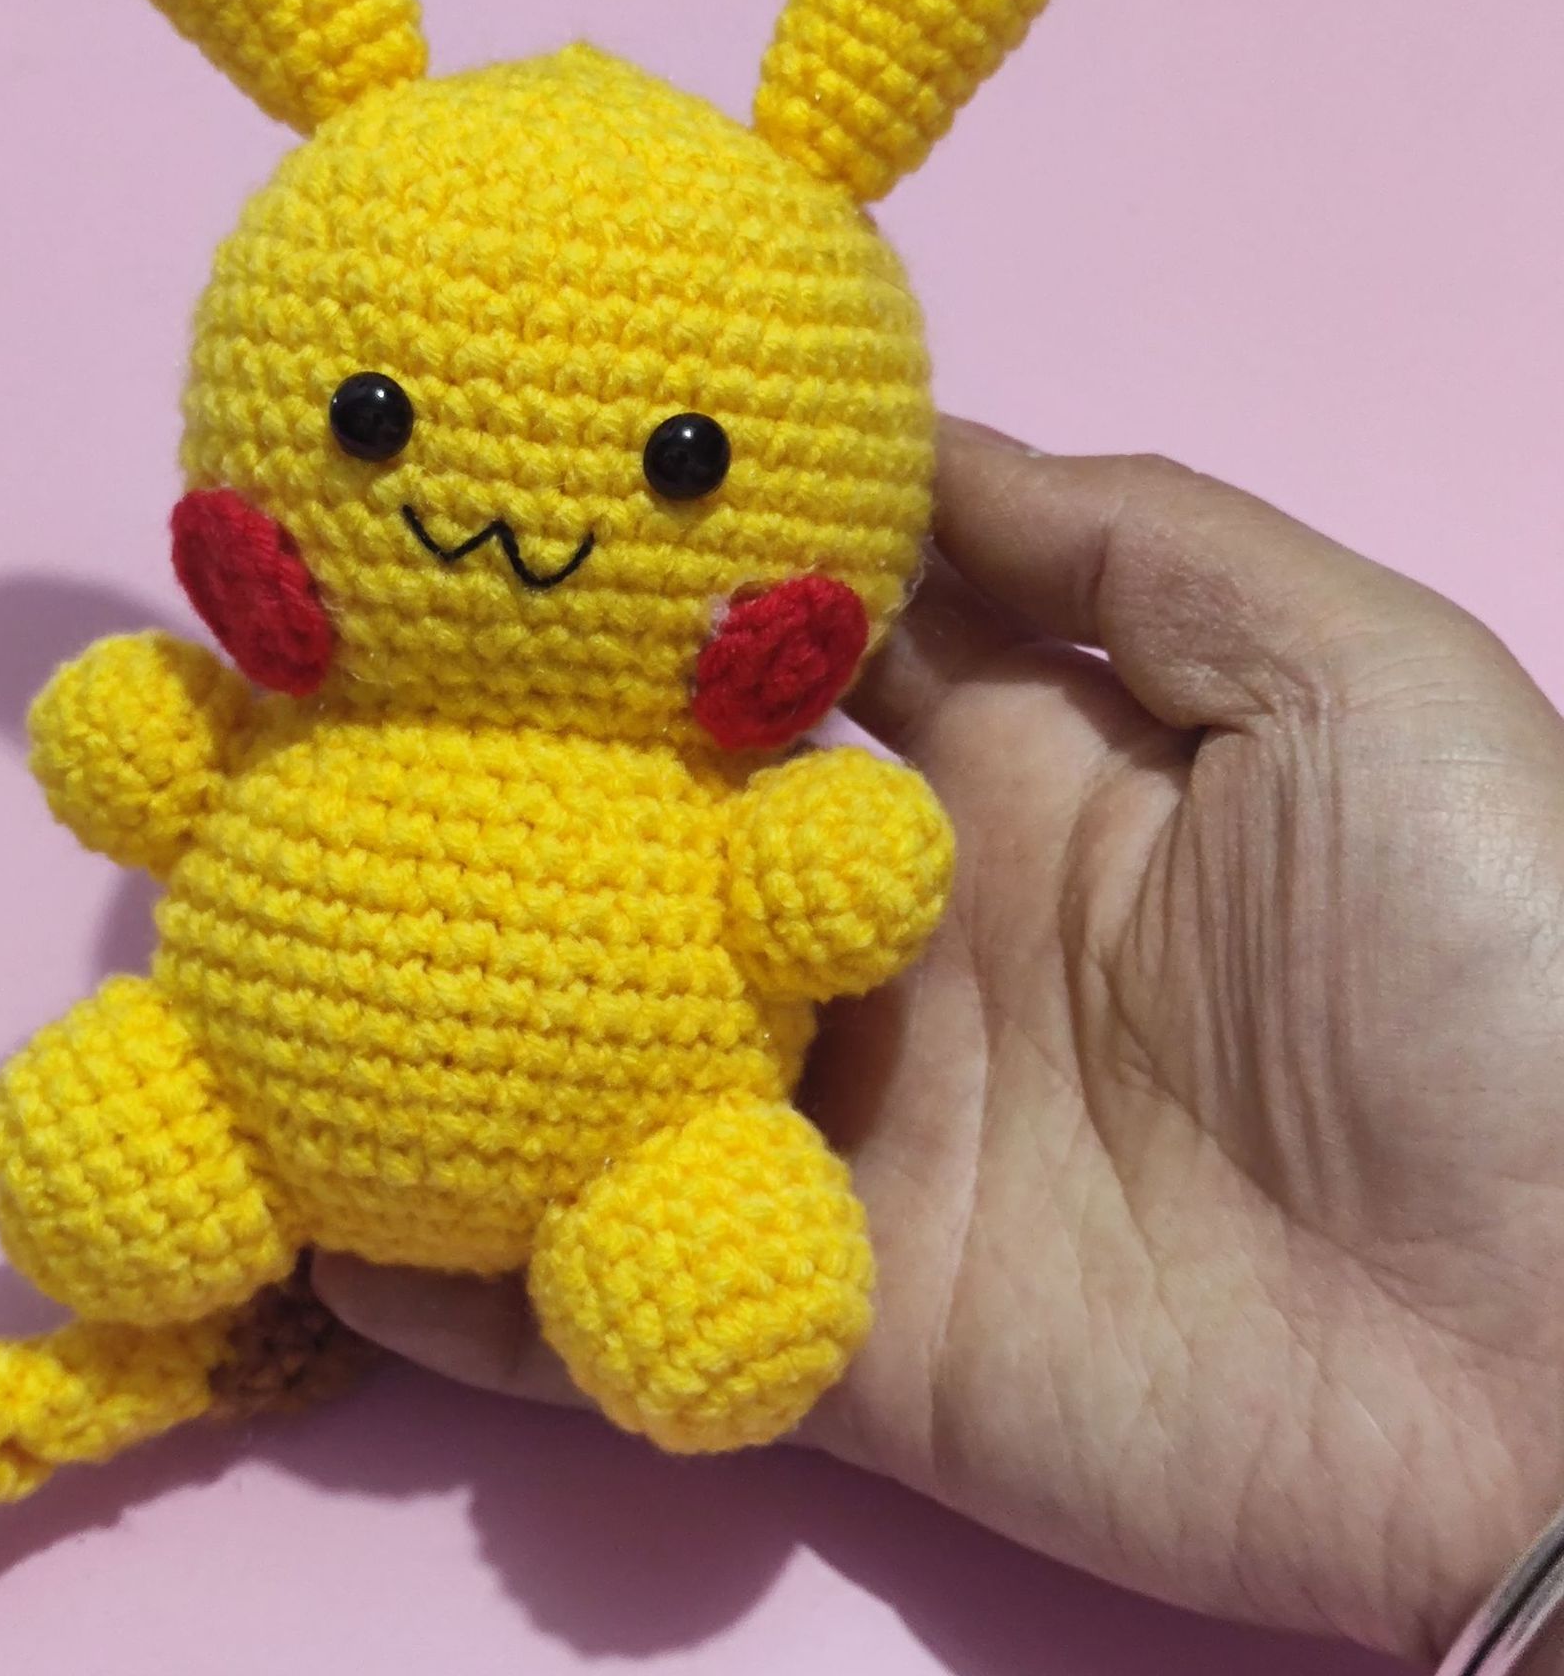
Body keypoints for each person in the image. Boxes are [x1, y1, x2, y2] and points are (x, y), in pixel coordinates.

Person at [315, 417, 1564, 1669]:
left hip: (661, 1151)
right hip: (271, 1103)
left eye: (684, 460)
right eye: (373, 418)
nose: (516, 513)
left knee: (717, 1305)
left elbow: (834, 878)